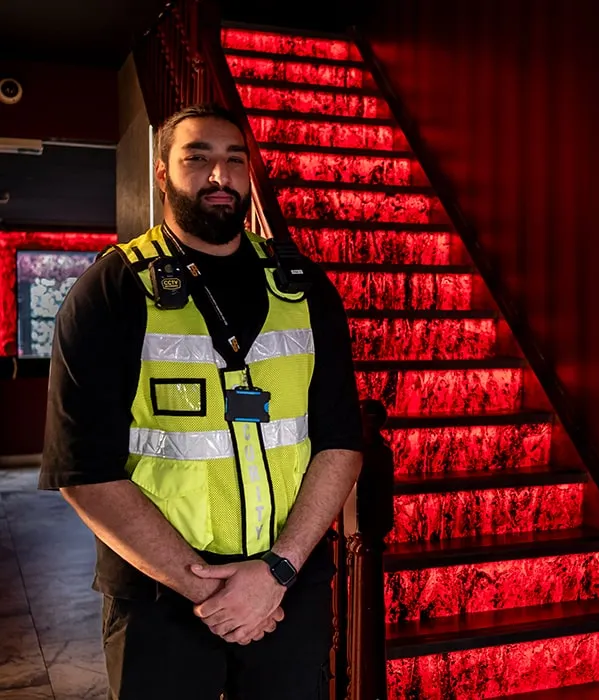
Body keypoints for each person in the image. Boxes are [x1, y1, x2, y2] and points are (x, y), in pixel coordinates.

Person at [38, 103, 364, 700]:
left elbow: (341, 441)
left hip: (287, 591)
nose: (220, 175)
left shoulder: (303, 287)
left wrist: (276, 572)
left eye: (234, 159)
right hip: (160, 598)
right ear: (161, 172)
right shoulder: (110, 291)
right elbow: (83, 471)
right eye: (198, 157)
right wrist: (217, 592)